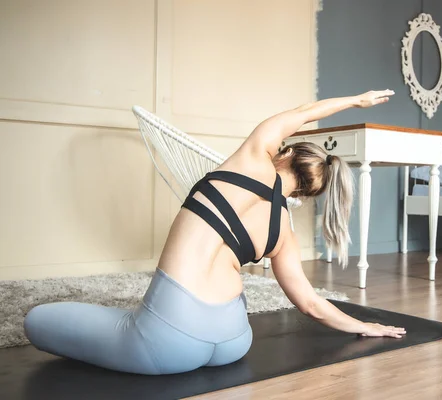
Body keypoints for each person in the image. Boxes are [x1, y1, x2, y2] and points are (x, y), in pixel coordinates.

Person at [24, 89, 406, 375]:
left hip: (167, 339)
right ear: (307, 192)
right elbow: (309, 303)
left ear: (286, 153)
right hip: (232, 340)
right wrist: (365, 327)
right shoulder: (284, 233)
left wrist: (358, 100)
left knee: (38, 320)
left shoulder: (253, 157)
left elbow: (304, 112)